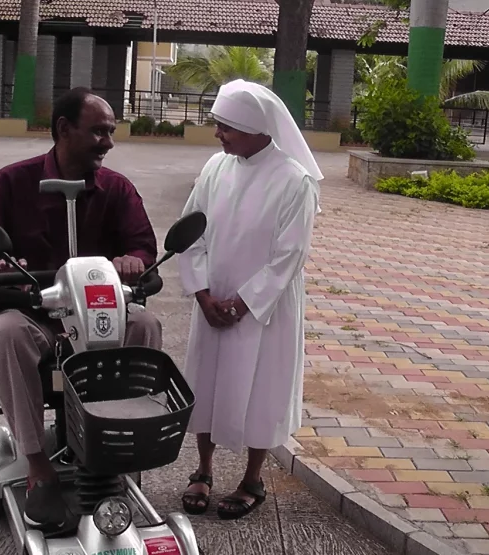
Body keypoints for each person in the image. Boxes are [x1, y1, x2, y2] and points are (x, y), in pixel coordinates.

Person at [0, 87, 163, 528]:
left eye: (111, 132)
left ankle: (119, 447)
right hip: (35, 314)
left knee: (144, 323)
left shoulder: (117, 189)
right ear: (63, 129)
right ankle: (38, 467)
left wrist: (135, 261)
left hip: (101, 316)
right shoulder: (10, 182)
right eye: (98, 132)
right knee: (6, 332)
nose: (108, 142)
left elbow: (142, 246)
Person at [176, 79, 323, 520]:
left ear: (256, 127)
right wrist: (203, 295)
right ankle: (202, 469)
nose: (218, 134)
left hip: (265, 307)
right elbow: (190, 233)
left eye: (227, 127)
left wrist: (241, 304)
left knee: (261, 387)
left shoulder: (293, 180)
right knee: (207, 382)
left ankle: (252, 479)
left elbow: (289, 255)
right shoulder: (214, 169)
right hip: (212, 299)